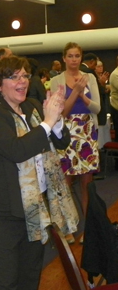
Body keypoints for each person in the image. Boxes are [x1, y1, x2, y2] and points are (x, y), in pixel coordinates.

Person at [0, 55, 77, 290]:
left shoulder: (31, 107)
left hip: (33, 207)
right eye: (14, 77)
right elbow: (17, 150)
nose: (22, 81)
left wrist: (54, 123)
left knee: (29, 275)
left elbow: (61, 141)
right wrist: (47, 122)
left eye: (25, 75)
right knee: (3, 282)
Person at [51, 43, 101, 221]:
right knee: (66, 182)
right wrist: (76, 92)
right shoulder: (57, 81)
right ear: (64, 58)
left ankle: (89, 226)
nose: (74, 59)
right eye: (70, 56)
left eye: (77, 56)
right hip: (66, 132)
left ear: (81, 58)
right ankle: (68, 225)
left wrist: (82, 96)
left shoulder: (89, 77)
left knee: (87, 183)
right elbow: (61, 112)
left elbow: (97, 108)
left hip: (87, 131)